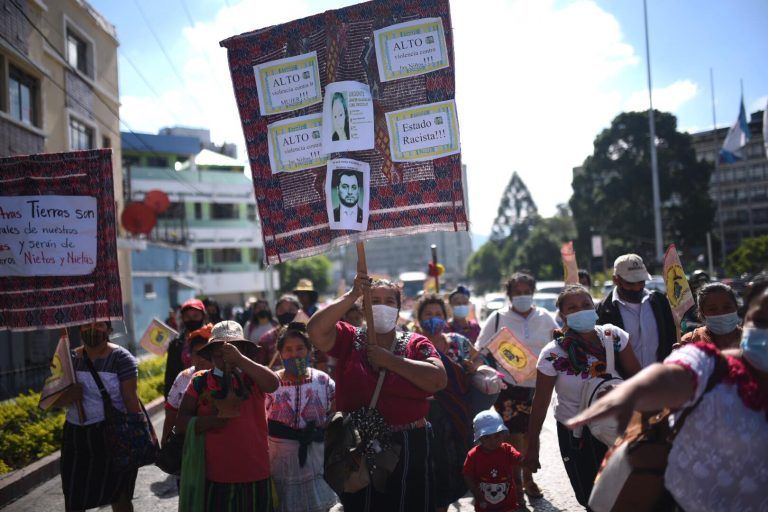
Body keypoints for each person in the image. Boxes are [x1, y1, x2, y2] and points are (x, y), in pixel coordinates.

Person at [567, 285, 768, 512]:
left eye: (726, 307)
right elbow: (673, 375)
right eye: (760, 320)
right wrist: (634, 392)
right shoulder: (706, 358)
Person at [307, 274, 447, 511]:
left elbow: (438, 380)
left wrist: (391, 361)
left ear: (399, 308)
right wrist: (352, 294)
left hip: (409, 445)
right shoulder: (349, 338)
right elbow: (315, 331)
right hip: (360, 446)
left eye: (389, 301)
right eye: (374, 301)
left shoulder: (415, 343)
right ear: (363, 308)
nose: (382, 306)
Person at [524, 285, 641, 508]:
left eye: (586, 304)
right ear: (562, 315)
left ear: (594, 307)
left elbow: (640, 378)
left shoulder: (614, 336)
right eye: (573, 307)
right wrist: (533, 445)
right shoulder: (552, 354)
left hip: (618, 425)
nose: (581, 310)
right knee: (591, 496)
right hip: (577, 436)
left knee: (626, 492)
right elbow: (540, 402)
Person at [175, 321, 280, 511]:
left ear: (244, 352)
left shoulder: (253, 378)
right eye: (219, 351)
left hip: (256, 472)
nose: (225, 356)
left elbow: (273, 384)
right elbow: (181, 422)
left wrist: (239, 360)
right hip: (216, 475)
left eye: (233, 349)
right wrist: (213, 421)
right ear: (211, 354)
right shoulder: (200, 381)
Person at [475, 271, 557, 501]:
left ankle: (529, 478)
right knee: (512, 436)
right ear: (509, 295)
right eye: (517, 293)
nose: (522, 296)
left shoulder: (545, 317)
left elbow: (559, 344)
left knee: (532, 433)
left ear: (532, 293)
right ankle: (516, 484)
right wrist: (478, 370)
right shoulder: (497, 318)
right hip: (508, 386)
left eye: (526, 292)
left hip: (538, 386)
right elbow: (480, 349)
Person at [56, 321, 141, 512]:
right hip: (76, 437)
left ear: (109, 330)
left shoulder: (121, 358)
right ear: (79, 329)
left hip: (114, 435)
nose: (92, 329)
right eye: (86, 325)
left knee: (119, 496)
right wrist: (68, 396)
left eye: (100, 325)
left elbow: (130, 397)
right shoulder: (68, 360)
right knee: (74, 496)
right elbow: (50, 399)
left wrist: (138, 434)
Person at [416, 293, 483, 512]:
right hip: (422, 415)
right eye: (428, 314)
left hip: (455, 415)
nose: (433, 318)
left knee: (452, 465)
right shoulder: (410, 344)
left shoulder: (458, 341)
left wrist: (473, 368)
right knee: (428, 468)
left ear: (445, 318)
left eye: (438, 314)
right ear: (419, 318)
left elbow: (479, 359)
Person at [266, 323, 338, 512]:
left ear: (309, 352)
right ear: (280, 354)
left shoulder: (323, 380)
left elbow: (336, 412)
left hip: (316, 456)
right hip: (279, 458)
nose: (295, 354)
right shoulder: (271, 383)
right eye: (288, 350)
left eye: (300, 349)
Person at [596, 253, 676, 368]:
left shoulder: (659, 302)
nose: (637, 287)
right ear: (616, 280)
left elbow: (671, 337)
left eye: (641, 281)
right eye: (630, 283)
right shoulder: (604, 310)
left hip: (660, 380)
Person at [162, 324, 213, 443]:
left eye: (206, 353)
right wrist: (165, 441)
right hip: (186, 445)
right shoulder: (183, 377)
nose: (202, 358)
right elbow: (171, 413)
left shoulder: (224, 377)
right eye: (197, 353)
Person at [463, 409, 522, 512]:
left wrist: (529, 461)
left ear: (503, 434)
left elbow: (519, 459)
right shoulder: (473, 455)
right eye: (487, 437)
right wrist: (476, 493)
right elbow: (467, 474)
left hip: (508, 504)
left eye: (497, 436)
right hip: (484, 504)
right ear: (480, 438)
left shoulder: (507, 450)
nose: (493, 441)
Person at [677, 282, 742, 350]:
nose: (720, 313)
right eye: (712, 309)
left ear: (736, 307)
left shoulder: (750, 340)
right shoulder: (689, 342)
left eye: (727, 307)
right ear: (702, 312)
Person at [164, 298, 207, 398]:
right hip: (182, 394)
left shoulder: (213, 338)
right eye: (187, 316)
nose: (191, 320)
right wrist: (168, 399)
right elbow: (170, 373)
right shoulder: (176, 343)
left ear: (203, 316)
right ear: (182, 318)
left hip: (208, 393)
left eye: (195, 315)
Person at [256, 294, 302, 368]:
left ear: (299, 312)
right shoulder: (266, 339)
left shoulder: (310, 336)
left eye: (291, 310)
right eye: (282, 310)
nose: (286, 313)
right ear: (276, 313)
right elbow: (259, 369)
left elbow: (321, 364)